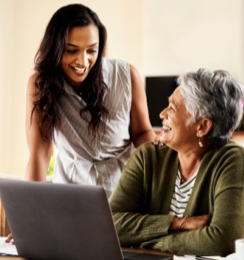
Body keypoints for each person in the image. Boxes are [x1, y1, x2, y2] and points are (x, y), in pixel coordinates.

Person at [109, 68, 244, 257]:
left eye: (172, 108)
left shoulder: (233, 160)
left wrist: (147, 242)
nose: (162, 114)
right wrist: (178, 223)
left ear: (202, 126)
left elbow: (223, 241)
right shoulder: (148, 156)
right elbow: (111, 225)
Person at [24, 3, 155, 197]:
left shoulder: (128, 76)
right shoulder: (40, 85)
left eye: (91, 51)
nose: (83, 62)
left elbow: (143, 133)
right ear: (56, 48)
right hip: (70, 198)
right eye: (71, 50)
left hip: (124, 197)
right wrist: (30, 214)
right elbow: (40, 154)